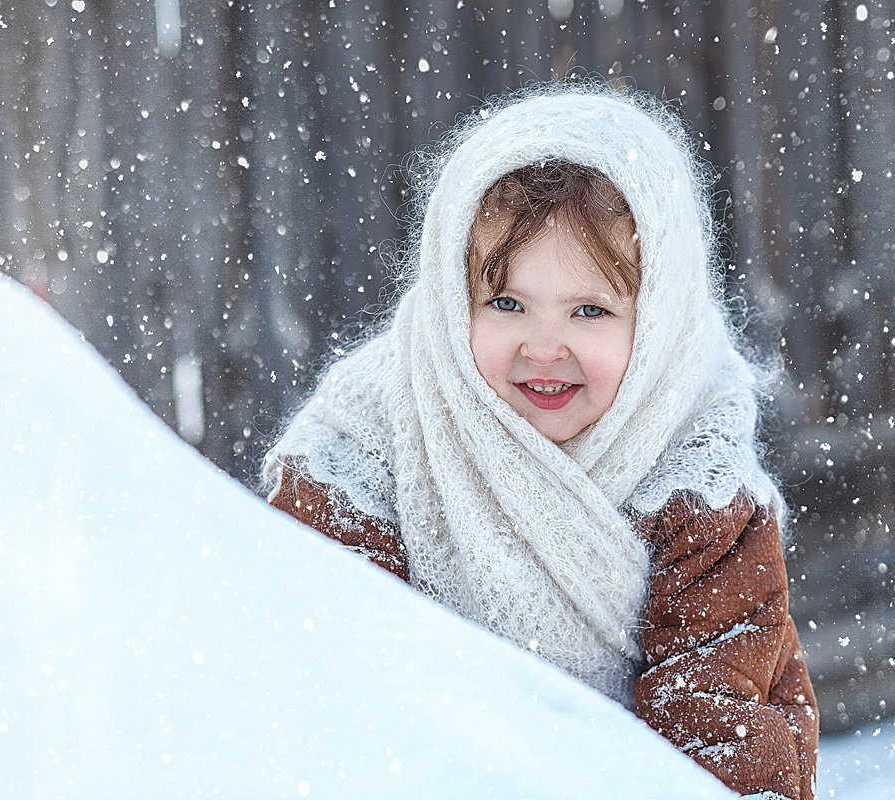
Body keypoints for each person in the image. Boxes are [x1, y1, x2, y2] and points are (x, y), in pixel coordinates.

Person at [261, 80, 818, 800]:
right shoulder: (362, 452)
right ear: (446, 301)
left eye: (589, 309)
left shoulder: (698, 477)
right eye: (506, 303)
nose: (544, 347)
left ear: (657, 327)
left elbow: (719, 714)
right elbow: (329, 675)